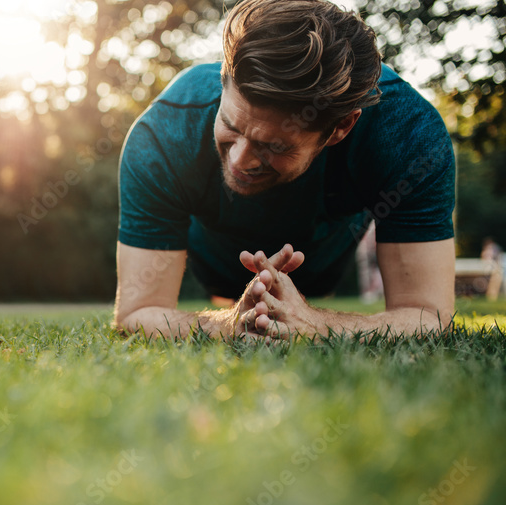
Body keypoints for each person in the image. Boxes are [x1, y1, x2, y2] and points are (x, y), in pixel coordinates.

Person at [115, 0, 456, 340]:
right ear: (222, 82)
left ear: (341, 127)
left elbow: (431, 315)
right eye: (231, 126)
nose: (240, 160)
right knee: (224, 294)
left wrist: (316, 324)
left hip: (323, 263)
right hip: (216, 263)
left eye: (273, 146)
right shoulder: (163, 132)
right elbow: (135, 312)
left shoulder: (408, 136)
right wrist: (225, 324)